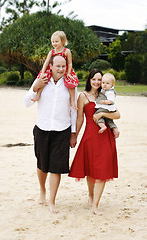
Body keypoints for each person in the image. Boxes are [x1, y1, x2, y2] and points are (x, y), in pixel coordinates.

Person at [24, 55, 77, 213]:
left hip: (62, 130)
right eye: (58, 66)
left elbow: (73, 110)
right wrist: (35, 87)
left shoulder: (70, 84)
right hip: (42, 128)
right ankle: (42, 191)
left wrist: (73, 133)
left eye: (63, 66)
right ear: (51, 66)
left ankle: (52, 201)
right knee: (42, 165)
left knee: (57, 167)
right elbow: (26, 103)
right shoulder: (41, 80)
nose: (61, 69)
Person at [69, 69, 120, 215]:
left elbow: (117, 114)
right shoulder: (83, 96)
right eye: (94, 79)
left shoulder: (106, 94)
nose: (97, 82)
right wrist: (74, 136)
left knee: (102, 171)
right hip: (90, 137)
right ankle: (91, 197)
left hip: (105, 137)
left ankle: (95, 205)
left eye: (100, 80)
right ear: (89, 80)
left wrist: (103, 113)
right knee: (91, 171)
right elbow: (79, 119)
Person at [31, 30, 79, 110]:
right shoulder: (52, 52)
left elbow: (70, 63)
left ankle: (72, 100)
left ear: (63, 41)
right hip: (52, 69)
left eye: (56, 41)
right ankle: (38, 95)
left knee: (71, 82)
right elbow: (46, 62)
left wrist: (69, 73)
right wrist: (42, 72)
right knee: (44, 79)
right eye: (52, 42)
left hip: (65, 69)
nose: (54, 43)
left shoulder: (67, 51)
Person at [94, 72, 118, 137]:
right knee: (109, 120)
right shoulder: (104, 90)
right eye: (103, 83)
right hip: (108, 108)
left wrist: (104, 102)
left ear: (112, 85)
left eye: (107, 83)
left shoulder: (109, 92)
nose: (104, 85)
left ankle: (102, 125)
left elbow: (111, 100)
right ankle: (115, 128)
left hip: (105, 107)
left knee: (98, 115)